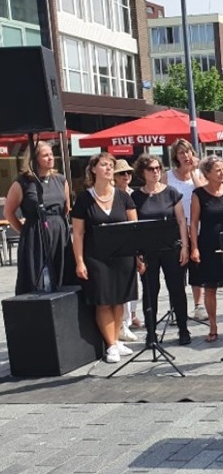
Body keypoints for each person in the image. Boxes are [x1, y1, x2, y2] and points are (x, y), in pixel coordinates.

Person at [71, 153, 140, 364]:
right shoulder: (84, 199)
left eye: (111, 165)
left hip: (122, 257)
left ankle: (117, 338)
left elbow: (135, 230)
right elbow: (78, 233)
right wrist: (80, 261)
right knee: (103, 301)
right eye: (104, 165)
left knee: (120, 299)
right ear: (93, 169)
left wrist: (138, 256)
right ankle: (110, 345)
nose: (109, 169)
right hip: (96, 258)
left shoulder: (123, 196)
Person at [131, 154, 192, 346]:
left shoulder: (171, 192)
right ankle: (151, 332)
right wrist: (136, 255)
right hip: (147, 250)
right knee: (151, 291)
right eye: (151, 169)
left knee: (177, 288)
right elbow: (133, 226)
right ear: (143, 172)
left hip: (171, 247)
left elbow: (182, 220)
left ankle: (183, 328)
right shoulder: (136, 196)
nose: (156, 172)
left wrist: (185, 246)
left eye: (158, 168)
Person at [189, 155, 223, 343]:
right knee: (210, 287)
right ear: (207, 174)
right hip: (208, 243)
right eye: (218, 170)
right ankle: (213, 326)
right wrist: (194, 248)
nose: (222, 173)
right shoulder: (198, 194)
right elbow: (194, 222)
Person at [4, 141, 70, 295]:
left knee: (62, 273)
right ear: (34, 159)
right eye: (45, 155)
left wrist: (57, 225)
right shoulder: (23, 183)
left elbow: (66, 208)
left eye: (51, 154)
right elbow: (8, 212)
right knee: (39, 278)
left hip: (59, 233)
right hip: (35, 234)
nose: (50, 158)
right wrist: (25, 231)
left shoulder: (60, 180)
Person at [166, 138, 207, 321]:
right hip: (175, 228)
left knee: (197, 267)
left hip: (196, 226)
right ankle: (177, 306)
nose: (185, 155)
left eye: (188, 151)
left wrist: (192, 174)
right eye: (181, 152)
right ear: (176, 155)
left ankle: (199, 305)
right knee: (176, 269)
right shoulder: (168, 176)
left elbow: (204, 195)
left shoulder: (198, 174)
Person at [113, 159, 141, 342]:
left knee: (134, 283)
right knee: (120, 286)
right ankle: (122, 324)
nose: (126, 176)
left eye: (128, 173)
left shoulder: (133, 194)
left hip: (132, 243)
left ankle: (131, 316)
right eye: (122, 173)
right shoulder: (113, 195)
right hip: (116, 244)